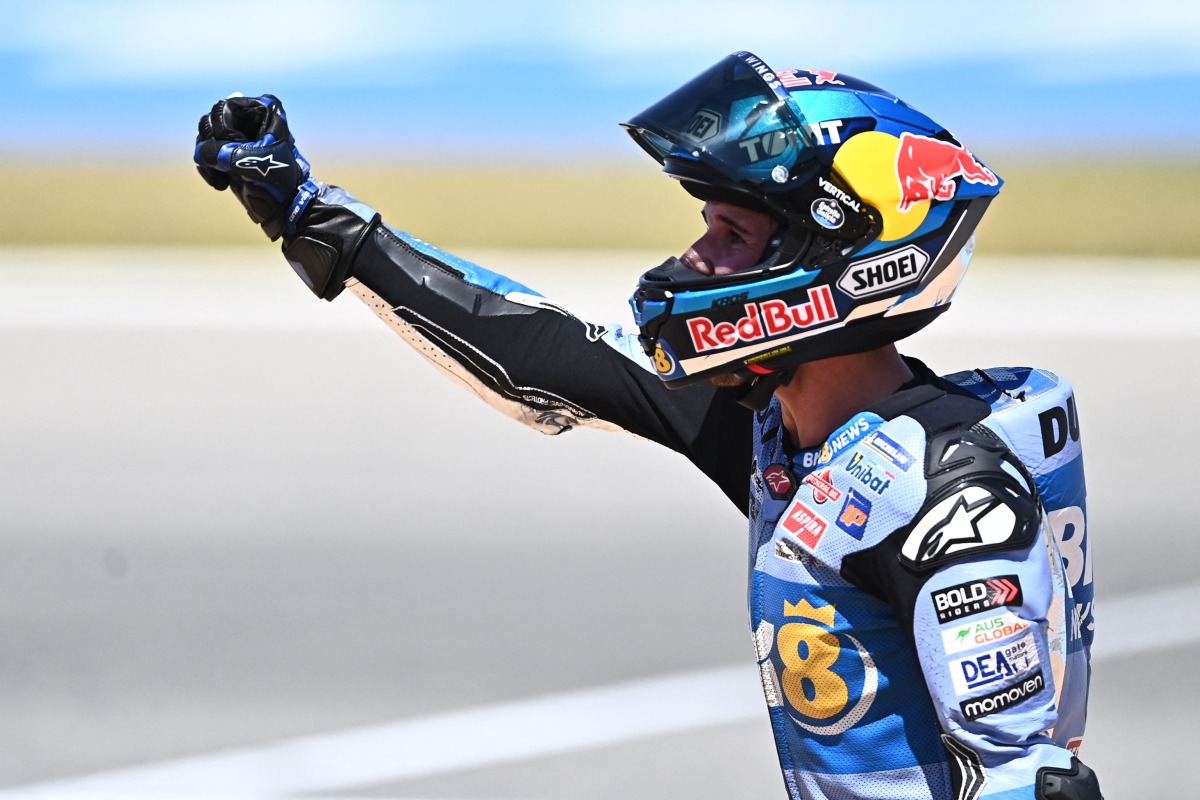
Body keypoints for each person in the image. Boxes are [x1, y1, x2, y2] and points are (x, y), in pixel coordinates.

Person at [194, 51, 1100, 800]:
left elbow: (1031, 782)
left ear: (843, 264)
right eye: (706, 225)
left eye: (733, 236)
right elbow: (544, 353)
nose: (697, 258)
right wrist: (318, 221)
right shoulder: (782, 433)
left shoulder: (952, 498)